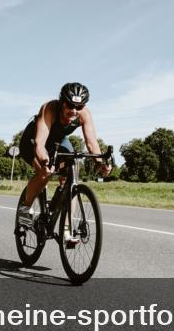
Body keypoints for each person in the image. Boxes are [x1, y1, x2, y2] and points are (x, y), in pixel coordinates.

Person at [16, 83, 111, 245]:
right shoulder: (49, 109)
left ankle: (66, 230)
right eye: (70, 105)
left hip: (58, 141)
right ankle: (25, 209)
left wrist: (101, 162)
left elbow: (91, 142)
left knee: (72, 172)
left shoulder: (84, 114)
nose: (74, 110)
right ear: (62, 102)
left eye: (79, 106)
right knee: (45, 172)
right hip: (33, 140)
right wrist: (46, 161)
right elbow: (39, 143)